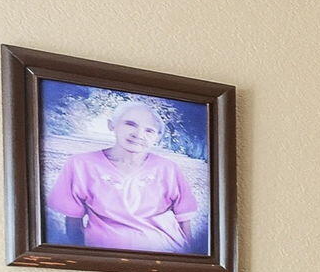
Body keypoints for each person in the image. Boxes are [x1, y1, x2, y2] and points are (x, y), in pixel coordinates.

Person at [47, 101, 203, 253]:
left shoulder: (168, 168)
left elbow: (184, 219)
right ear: (112, 125)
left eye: (149, 130)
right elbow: (73, 221)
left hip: (166, 253)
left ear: (157, 137)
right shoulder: (81, 164)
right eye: (130, 124)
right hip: (105, 258)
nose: (138, 134)